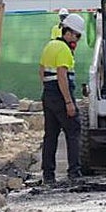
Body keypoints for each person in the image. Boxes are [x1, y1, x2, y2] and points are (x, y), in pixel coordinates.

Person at [39, 12, 86, 184]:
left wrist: (47, 92)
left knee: (50, 135)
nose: (78, 40)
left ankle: (48, 174)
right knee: (73, 131)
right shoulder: (64, 50)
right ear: (69, 32)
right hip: (61, 95)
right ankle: (74, 172)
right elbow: (62, 76)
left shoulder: (49, 46)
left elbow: (41, 71)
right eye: (78, 36)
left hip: (48, 94)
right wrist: (68, 102)